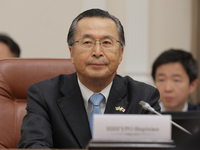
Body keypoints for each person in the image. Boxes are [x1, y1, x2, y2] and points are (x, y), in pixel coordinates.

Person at [17, 8, 160, 149]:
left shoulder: (143, 98)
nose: (97, 52)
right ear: (72, 52)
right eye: (87, 42)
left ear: (121, 53)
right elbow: (33, 145)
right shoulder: (44, 95)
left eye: (106, 43)